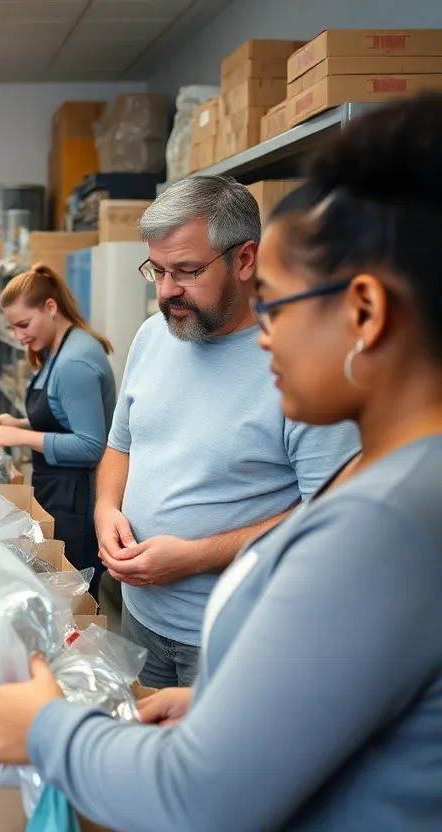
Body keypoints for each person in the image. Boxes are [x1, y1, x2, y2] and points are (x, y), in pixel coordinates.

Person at [0, 91, 442, 832]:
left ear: (366, 313)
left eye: (279, 305)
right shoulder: (413, 486)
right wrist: (227, 703)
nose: (264, 338)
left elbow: (198, 799)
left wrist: (44, 728)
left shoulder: (380, 527)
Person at [92, 173, 360, 688]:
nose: (167, 292)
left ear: (245, 259)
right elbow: (120, 446)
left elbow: (330, 516)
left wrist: (196, 556)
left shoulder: (301, 364)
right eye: (157, 271)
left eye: (187, 271)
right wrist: (106, 510)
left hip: (233, 633)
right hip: (140, 618)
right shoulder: (153, 336)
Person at [0, 265, 116, 593]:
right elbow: (63, 418)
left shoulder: (74, 362)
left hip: (78, 499)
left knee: (73, 599)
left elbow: (91, 445)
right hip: (60, 491)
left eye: (24, 324)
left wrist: (22, 437)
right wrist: (20, 423)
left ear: (51, 308)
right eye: (13, 327)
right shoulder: (58, 350)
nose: (19, 336)